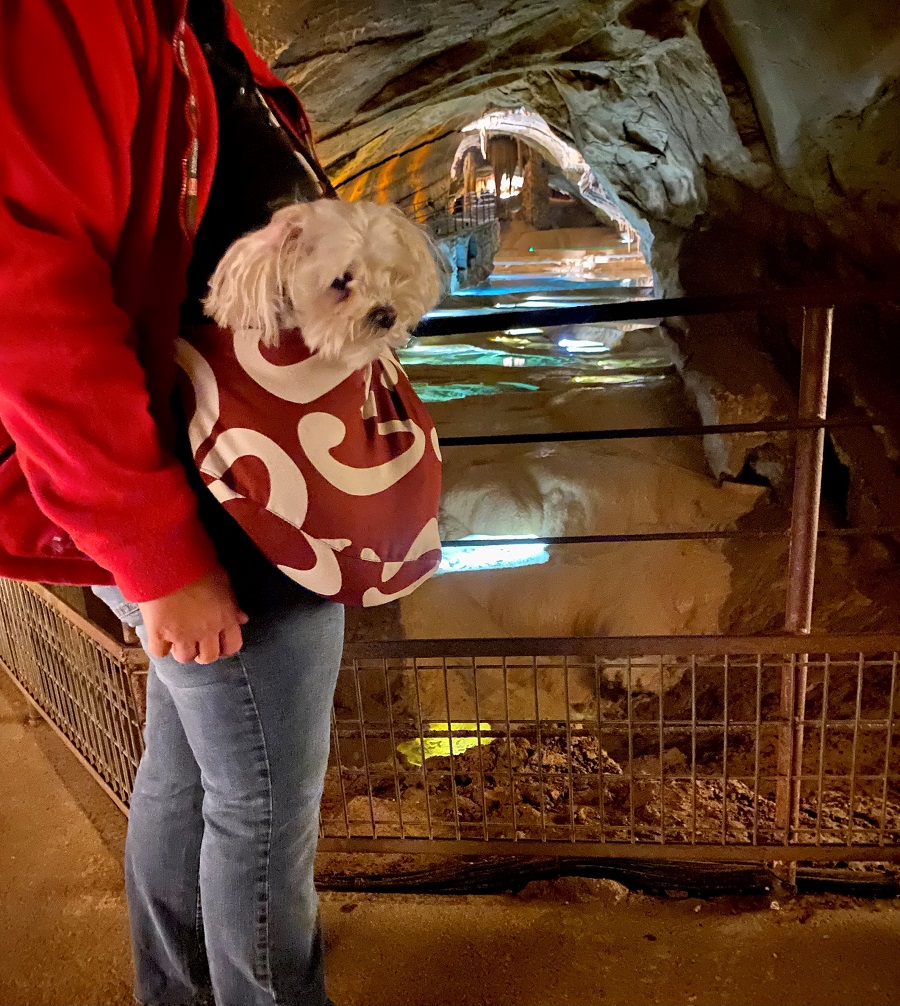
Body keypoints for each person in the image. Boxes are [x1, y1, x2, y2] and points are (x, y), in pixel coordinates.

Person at [0, 2, 344, 1003]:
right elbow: (29, 303)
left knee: (193, 774)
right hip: (207, 492)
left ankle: (176, 992)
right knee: (264, 810)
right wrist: (161, 557)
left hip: (214, 455)